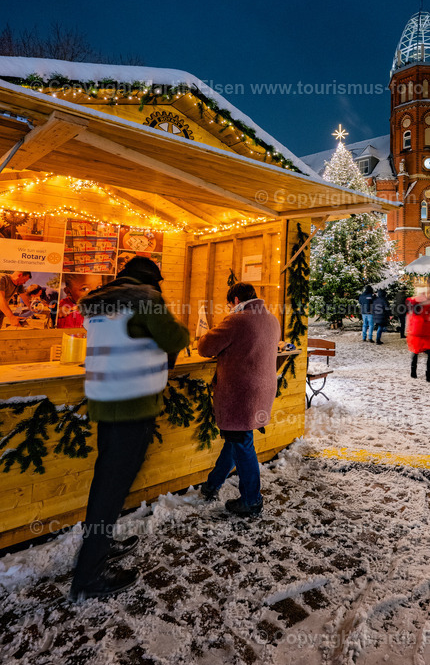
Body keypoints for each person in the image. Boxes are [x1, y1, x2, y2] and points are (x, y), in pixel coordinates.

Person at [70, 257, 190, 601]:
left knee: (108, 480)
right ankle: (89, 574)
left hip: (105, 401)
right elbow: (175, 337)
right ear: (152, 281)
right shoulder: (146, 300)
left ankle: (101, 543)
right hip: (134, 405)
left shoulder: (101, 301)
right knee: (111, 487)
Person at [198, 282, 280, 514]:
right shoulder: (272, 319)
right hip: (262, 390)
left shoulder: (236, 320)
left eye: (229, 304)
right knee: (236, 438)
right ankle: (213, 484)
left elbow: (205, 347)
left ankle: (251, 500)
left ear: (235, 301)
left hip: (241, 393)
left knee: (242, 442)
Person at [407, 295, 430, 382]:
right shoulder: (420, 309)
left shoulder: (415, 309)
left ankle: (414, 373)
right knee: (426, 354)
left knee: (417, 353)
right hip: (422, 334)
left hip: (419, 334)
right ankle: (428, 376)